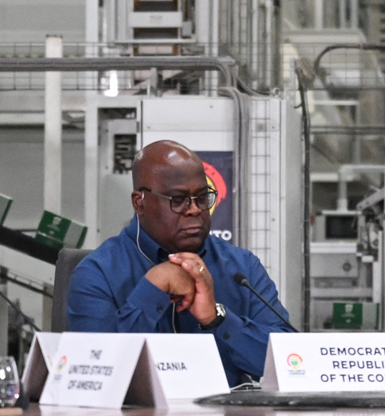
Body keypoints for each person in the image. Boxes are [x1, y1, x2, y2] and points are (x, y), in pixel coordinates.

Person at [67, 140, 294, 383]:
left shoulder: (242, 268)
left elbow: (291, 364)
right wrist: (152, 289)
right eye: (178, 199)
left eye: (202, 197)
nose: (194, 210)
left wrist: (217, 318)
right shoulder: (97, 273)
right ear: (139, 202)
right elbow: (97, 374)